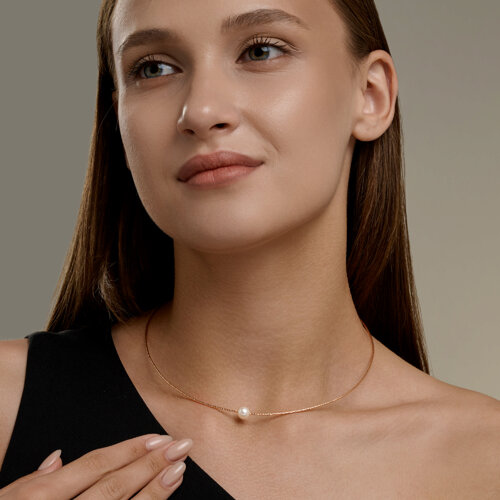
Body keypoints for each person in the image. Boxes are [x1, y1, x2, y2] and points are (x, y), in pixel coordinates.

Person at [0, 0, 498, 498]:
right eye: (153, 68)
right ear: (120, 124)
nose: (200, 112)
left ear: (370, 95)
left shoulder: (485, 459)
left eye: (260, 51)